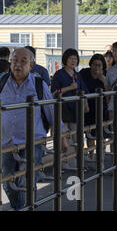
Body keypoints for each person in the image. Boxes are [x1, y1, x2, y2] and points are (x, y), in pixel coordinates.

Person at [1, 48, 68, 210]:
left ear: (31, 65)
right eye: (15, 60)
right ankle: (20, 208)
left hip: (32, 142)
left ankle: (27, 208)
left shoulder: (39, 85)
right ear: (10, 63)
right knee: (8, 183)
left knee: (26, 180)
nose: (18, 64)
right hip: (7, 143)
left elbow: (52, 111)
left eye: (23, 61)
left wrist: (62, 138)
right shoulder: (2, 83)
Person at [51, 48, 89, 171]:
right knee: (63, 136)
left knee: (76, 136)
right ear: (65, 60)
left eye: (75, 58)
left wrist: (86, 104)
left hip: (76, 110)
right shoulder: (59, 74)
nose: (73, 61)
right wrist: (69, 88)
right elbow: (54, 93)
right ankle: (62, 163)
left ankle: (73, 162)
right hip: (63, 110)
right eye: (70, 58)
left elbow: (83, 91)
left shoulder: (77, 75)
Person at [79, 54, 109, 168]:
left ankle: (100, 160)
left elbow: (110, 89)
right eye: (94, 65)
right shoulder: (84, 73)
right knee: (90, 135)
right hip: (88, 109)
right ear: (90, 64)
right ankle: (91, 158)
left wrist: (103, 80)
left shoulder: (105, 75)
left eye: (99, 65)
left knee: (101, 136)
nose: (96, 68)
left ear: (103, 67)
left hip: (102, 109)